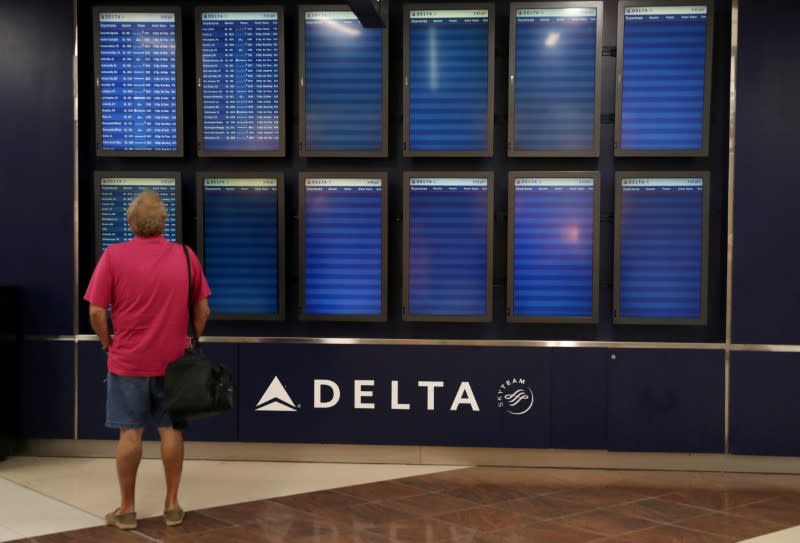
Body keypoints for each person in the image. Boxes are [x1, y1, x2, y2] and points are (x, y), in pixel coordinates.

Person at [84, 190, 211, 530]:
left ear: (130, 223)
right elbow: (203, 309)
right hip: (174, 362)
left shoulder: (113, 257)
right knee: (171, 430)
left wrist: (108, 341)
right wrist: (191, 339)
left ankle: (126, 510)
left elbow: (96, 311)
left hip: (128, 362)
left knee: (130, 435)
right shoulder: (186, 256)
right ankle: (172, 506)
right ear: (164, 222)